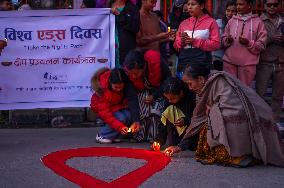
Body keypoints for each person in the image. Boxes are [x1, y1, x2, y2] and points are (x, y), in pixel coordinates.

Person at [164, 63, 284, 167]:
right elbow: (198, 118)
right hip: (239, 121)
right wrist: (180, 146)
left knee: (212, 118)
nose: (189, 88)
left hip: (241, 122)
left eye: (190, 84)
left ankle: (239, 154)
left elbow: (230, 110)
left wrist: (212, 113)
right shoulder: (206, 85)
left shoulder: (219, 82)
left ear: (200, 79)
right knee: (210, 117)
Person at [123, 49, 172, 142]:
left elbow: (167, 83)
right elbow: (132, 97)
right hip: (142, 93)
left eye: (136, 73)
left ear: (144, 67)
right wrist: (136, 120)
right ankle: (139, 135)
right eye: (131, 74)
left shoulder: (158, 63)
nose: (133, 76)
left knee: (155, 109)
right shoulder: (127, 73)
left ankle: (153, 136)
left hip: (161, 92)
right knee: (142, 105)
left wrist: (154, 96)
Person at [222, 0, 267, 87]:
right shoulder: (232, 21)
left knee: (245, 92)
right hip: (229, 62)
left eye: (241, 4)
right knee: (229, 92)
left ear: (249, 5)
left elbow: (262, 45)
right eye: (237, 4)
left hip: (247, 65)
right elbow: (223, 39)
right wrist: (227, 41)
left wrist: (248, 43)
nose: (238, 7)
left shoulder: (258, 22)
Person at [90, 68, 140, 144]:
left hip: (116, 106)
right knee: (121, 117)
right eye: (116, 87)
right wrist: (120, 127)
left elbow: (132, 100)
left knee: (129, 115)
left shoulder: (126, 85)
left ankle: (115, 136)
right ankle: (102, 135)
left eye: (120, 87)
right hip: (101, 108)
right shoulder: (103, 90)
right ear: (110, 83)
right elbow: (106, 114)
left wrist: (136, 121)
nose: (118, 90)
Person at [174, 0, 220, 79]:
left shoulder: (211, 22)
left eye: (193, 4)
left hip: (202, 62)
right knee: (183, 87)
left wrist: (195, 42)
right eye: (188, 4)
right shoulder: (183, 23)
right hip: (184, 61)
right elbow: (176, 45)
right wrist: (182, 42)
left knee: (201, 88)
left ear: (202, 6)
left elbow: (216, 44)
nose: (190, 7)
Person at [256, 0, 284, 126]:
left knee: (278, 95)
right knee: (260, 94)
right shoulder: (258, 21)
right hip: (264, 62)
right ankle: (260, 121)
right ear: (265, 6)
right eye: (269, 5)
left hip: (281, 62)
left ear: (280, 6)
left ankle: (275, 122)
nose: (272, 7)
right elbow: (255, 43)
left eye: (275, 5)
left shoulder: (282, 21)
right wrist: (271, 39)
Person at [152, 77, 198, 150]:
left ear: (181, 93)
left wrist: (185, 120)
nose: (170, 101)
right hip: (177, 131)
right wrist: (158, 141)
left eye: (173, 98)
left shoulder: (190, 97)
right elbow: (163, 121)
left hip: (192, 132)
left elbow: (195, 118)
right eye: (168, 98)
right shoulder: (168, 100)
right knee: (168, 111)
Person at [109, 0, 140, 67]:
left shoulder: (133, 8)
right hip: (108, 51)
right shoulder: (108, 5)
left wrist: (119, 15)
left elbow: (135, 28)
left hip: (125, 51)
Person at [212, 1, 236, 71]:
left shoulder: (238, 24)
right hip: (218, 56)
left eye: (233, 11)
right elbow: (214, 40)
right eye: (228, 10)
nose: (230, 13)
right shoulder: (218, 23)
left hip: (232, 59)